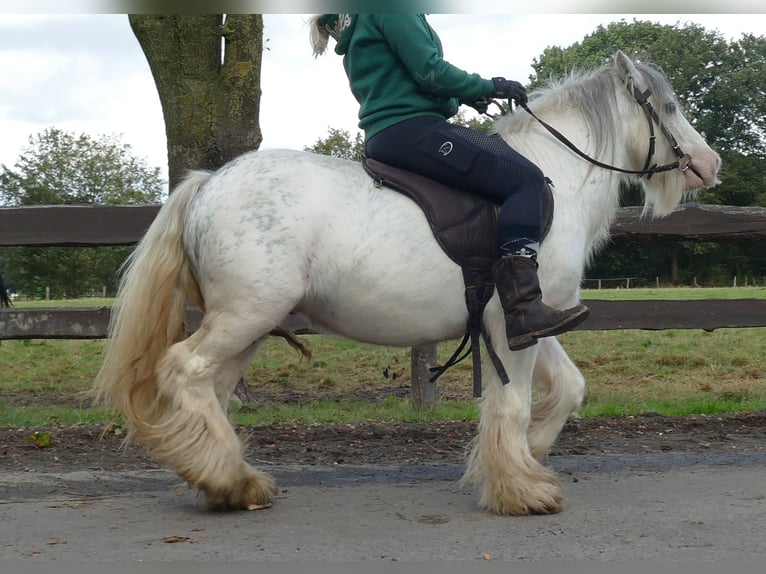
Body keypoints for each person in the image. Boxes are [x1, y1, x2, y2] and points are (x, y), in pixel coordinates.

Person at [310, 14, 588, 351]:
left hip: (393, 132)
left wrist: (464, 99)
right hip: (414, 129)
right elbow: (430, 71)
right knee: (525, 180)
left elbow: (417, 82)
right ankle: (523, 306)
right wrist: (490, 87)